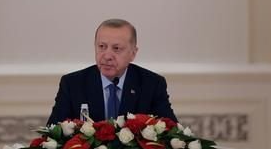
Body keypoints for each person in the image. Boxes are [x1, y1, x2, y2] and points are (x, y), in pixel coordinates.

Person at [47, 18, 177, 125]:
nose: (107, 56)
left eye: (116, 48)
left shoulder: (152, 84)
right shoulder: (72, 84)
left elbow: (172, 133)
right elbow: (52, 135)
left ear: (133, 53)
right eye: (102, 46)